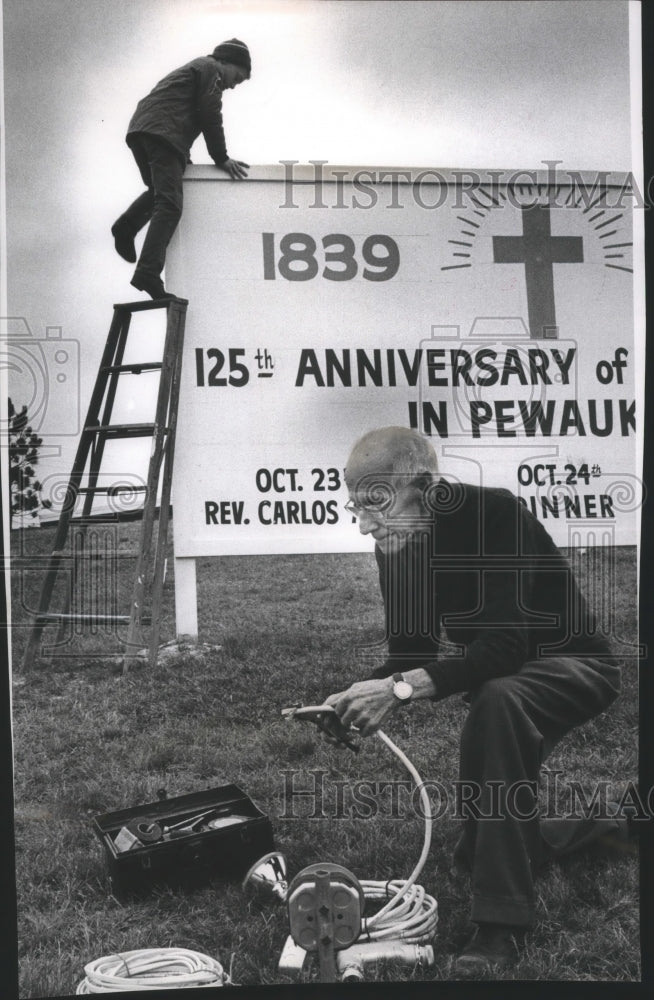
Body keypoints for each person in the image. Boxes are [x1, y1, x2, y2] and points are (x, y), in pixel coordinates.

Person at [325, 426, 627, 977]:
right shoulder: (397, 545)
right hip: (504, 677)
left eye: (377, 504)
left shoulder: (494, 514)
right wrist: (356, 696)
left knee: (499, 698)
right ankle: (616, 826)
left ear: (426, 486)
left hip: (576, 664)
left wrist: (399, 690)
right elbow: (411, 652)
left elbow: (505, 646)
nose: (365, 524)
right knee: (480, 846)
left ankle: (502, 923)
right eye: (356, 507)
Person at [111, 39, 251, 300]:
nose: (233, 85)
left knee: (160, 191)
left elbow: (178, 105)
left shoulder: (198, 68)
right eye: (238, 77)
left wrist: (183, 155)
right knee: (170, 204)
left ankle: (127, 227)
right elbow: (210, 113)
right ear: (227, 62)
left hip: (144, 129)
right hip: (162, 134)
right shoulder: (211, 69)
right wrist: (221, 158)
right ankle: (148, 273)